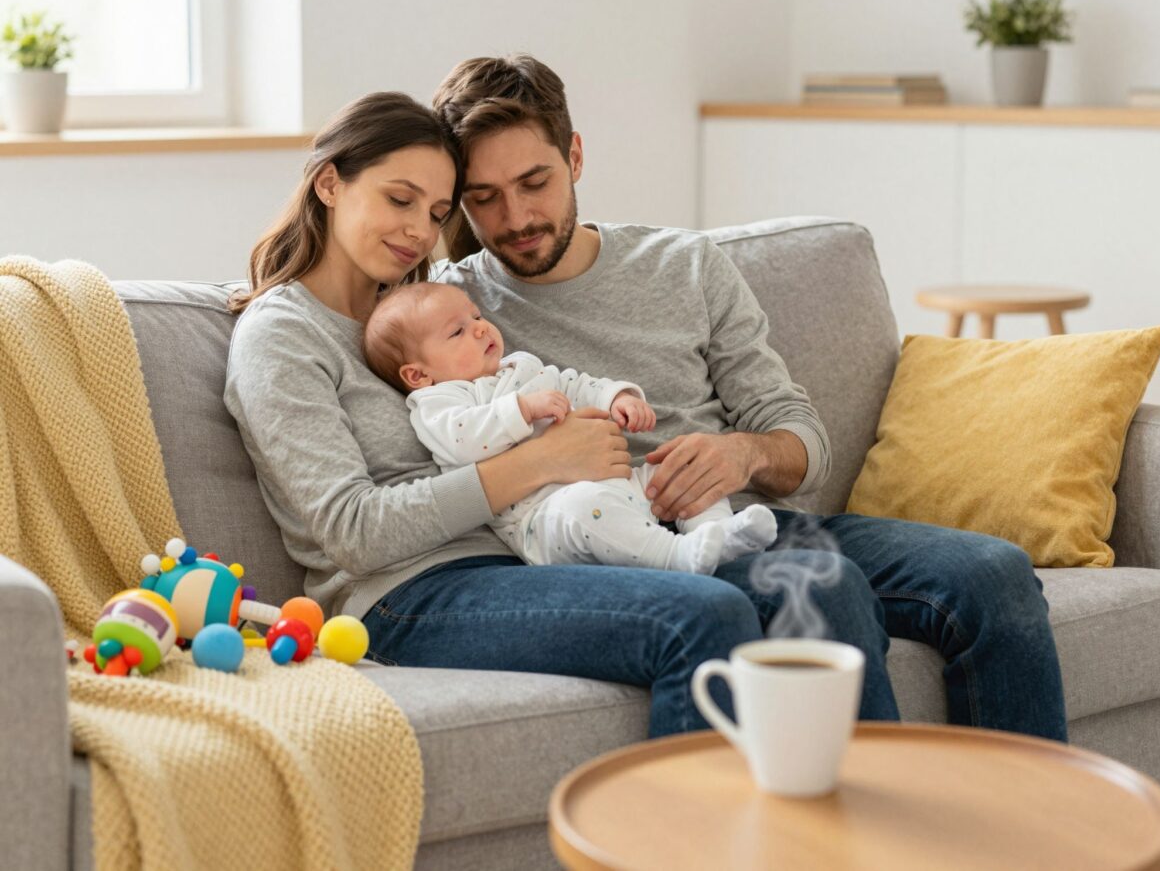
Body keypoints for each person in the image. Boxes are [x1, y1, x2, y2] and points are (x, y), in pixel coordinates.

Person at [428, 53, 1068, 741]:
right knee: (825, 586)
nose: (517, 217)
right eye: (484, 198)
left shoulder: (685, 265)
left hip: (751, 516)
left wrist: (741, 454)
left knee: (995, 573)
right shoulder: (452, 308)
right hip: (634, 545)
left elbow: (801, 439)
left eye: (534, 182)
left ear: (575, 156)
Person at [224, 91, 766, 738]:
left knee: (792, 586)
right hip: (406, 594)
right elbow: (351, 531)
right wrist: (536, 462)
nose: (418, 232)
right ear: (330, 184)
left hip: (527, 554)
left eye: (435, 213)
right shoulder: (281, 334)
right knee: (704, 615)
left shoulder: (422, 309)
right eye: (399, 200)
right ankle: (671, 837)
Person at [361, 280, 779, 573]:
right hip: (548, 519)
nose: (480, 327)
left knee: (682, 466)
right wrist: (521, 409)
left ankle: (718, 535)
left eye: (475, 315)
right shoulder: (438, 401)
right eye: (457, 331)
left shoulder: (519, 365)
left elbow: (575, 383)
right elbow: (460, 441)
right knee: (583, 508)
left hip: (622, 484)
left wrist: (617, 398)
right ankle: (677, 555)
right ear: (417, 375)